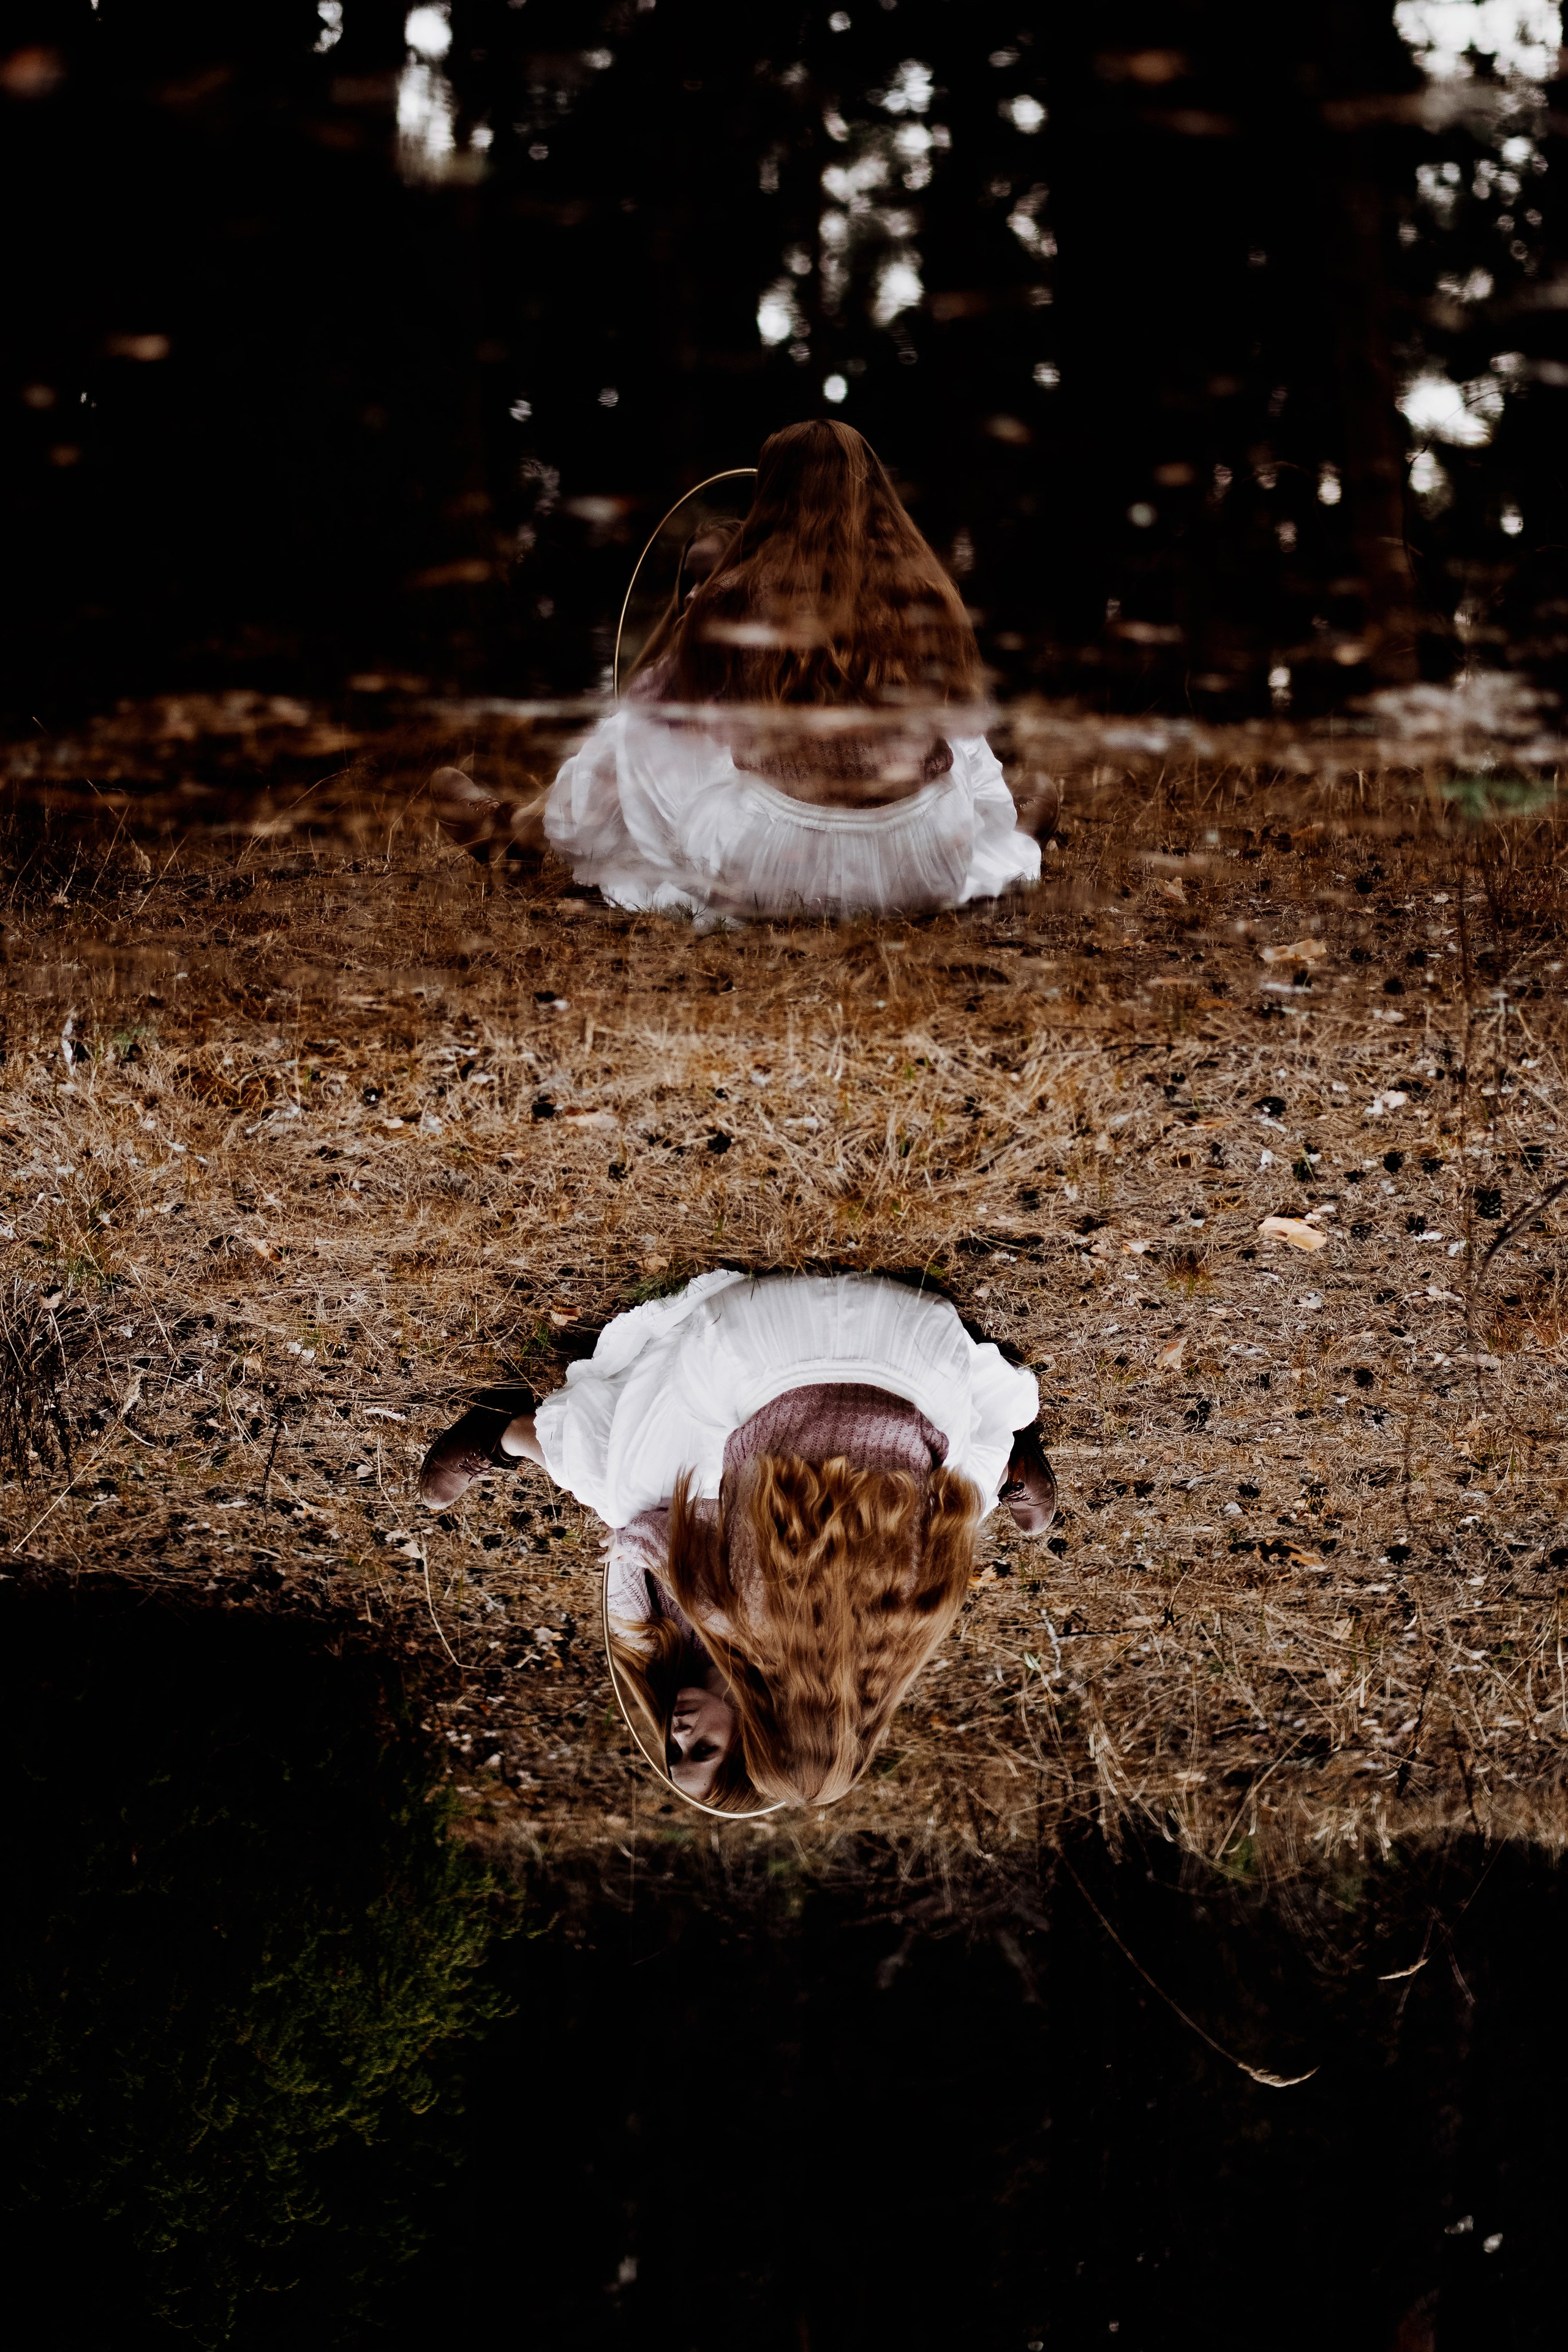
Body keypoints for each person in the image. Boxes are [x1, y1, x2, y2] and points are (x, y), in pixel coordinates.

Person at [417, 1270, 1056, 1811]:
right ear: (754, 1731)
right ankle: (508, 1436)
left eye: (674, 1749)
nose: (680, 1733)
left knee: (941, 1504)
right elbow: (653, 1531)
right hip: (762, 1341)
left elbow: (946, 1510)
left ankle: (1005, 1465)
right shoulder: (742, 1623)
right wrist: (658, 1538)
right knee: (624, 1493)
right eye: (703, 1749)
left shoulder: (906, 1632)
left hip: (926, 1341)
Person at [431, 420, 1052, 916]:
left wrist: (687, 642)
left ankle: (519, 834)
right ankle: (1018, 829)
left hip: (768, 870)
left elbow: (650, 711)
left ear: (769, 495)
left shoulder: (736, 597)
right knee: (951, 737)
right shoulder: (925, 591)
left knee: (640, 728)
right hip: (922, 869)